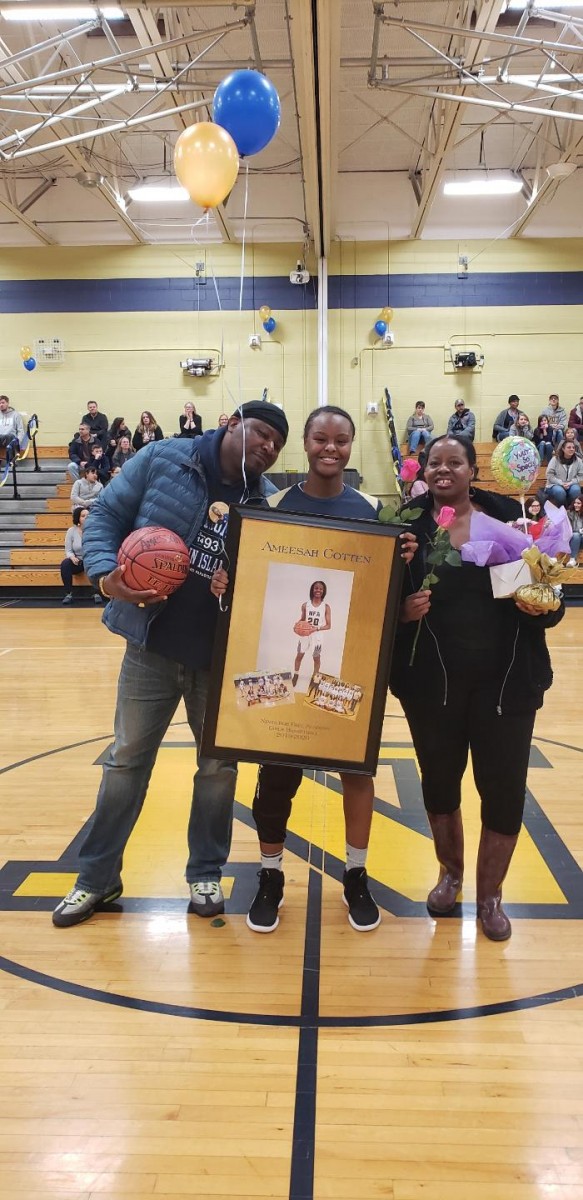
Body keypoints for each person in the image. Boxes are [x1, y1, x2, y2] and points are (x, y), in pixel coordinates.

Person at [51, 400, 288, 929]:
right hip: (151, 648)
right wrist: (107, 575)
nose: (269, 448)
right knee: (125, 762)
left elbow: (270, 585)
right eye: (263, 434)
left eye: (278, 443)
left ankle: (205, 871)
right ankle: (96, 878)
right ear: (232, 423)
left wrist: (242, 586)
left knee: (217, 770)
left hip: (218, 659)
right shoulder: (163, 457)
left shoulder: (265, 503)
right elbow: (107, 514)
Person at [211, 405, 417, 935]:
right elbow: (257, 584)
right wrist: (228, 584)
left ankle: (356, 873)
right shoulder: (272, 506)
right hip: (282, 661)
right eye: (321, 438)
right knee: (275, 773)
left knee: (357, 770)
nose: (332, 448)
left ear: (351, 446)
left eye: (341, 440)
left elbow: (379, 597)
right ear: (305, 443)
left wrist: (406, 567)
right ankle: (271, 873)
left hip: (350, 667)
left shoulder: (374, 511)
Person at [389, 434, 564, 941]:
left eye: (455, 462)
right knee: (440, 785)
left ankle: (490, 896)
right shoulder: (407, 526)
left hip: (507, 683)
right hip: (432, 685)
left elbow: (546, 598)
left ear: (473, 469)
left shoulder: (514, 521)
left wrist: (542, 606)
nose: (444, 470)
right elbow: (378, 601)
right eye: (435, 463)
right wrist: (401, 614)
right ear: (424, 471)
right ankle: (451, 875)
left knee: (504, 791)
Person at [292, 581, 331, 686]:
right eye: (316, 588)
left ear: (323, 591)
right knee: (299, 655)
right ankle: (296, 674)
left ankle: (315, 678)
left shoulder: (326, 607)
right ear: (312, 590)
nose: (318, 590)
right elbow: (302, 619)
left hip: (317, 636)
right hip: (305, 635)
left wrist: (315, 629)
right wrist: (297, 626)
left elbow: (328, 626)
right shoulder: (306, 605)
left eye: (320, 589)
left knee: (316, 658)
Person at [60, 507, 102, 605]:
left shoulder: (95, 530)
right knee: (65, 564)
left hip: (91, 560)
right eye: (83, 516)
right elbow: (68, 550)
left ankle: (96, 593)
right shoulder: (71, 531)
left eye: (88, 516)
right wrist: (72, 557)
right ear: (78, 518)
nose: (86, 518)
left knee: (98, 563)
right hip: (78, 561)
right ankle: (68, 594)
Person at [545, 440, 583, 507]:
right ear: (563, 449)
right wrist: (561, 483)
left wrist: (571, 482)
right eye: (569, 447)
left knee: (576, 490)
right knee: (559, 491)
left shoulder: (578, 461)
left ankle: (571, 509)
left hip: (571, 484)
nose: (571, 449)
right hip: (554, 485)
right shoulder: (555, 459)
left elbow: (580, 475)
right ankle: (563, 509)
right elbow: (549, 475)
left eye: (573, 447)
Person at [0, 394, 25, 461]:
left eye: (3, 403)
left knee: (9, 435)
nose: (1, 405)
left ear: (7, 403)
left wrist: (18, 442)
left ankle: (11, 461)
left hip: (11, 439)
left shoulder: (16, 414)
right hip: (1, 438)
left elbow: (20, 430)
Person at [566, 496, 582, 568]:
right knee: (575, 535)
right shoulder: (569, 513)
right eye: (575, 503)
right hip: (574, 539)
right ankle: (572, 560)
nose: (576, 505)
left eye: (578, 503)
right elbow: (567, 529)